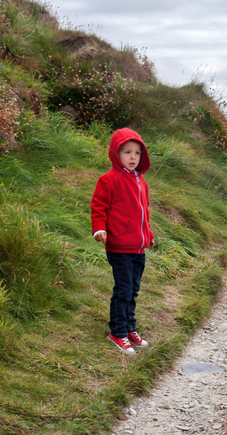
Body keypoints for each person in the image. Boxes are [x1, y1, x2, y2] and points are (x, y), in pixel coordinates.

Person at [91, 128, 156, 355]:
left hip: (139, 247)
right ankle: (117, 333)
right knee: (124, 290)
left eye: (137, 153)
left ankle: (130, 328)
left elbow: (143, 213)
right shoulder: (109, 179)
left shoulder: (142, 182)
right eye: (127, 152)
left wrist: (149, 236)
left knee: (134, 290)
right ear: (115, 154)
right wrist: (99, 229)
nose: (132, 157)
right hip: (119, 246)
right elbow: (98, 207)